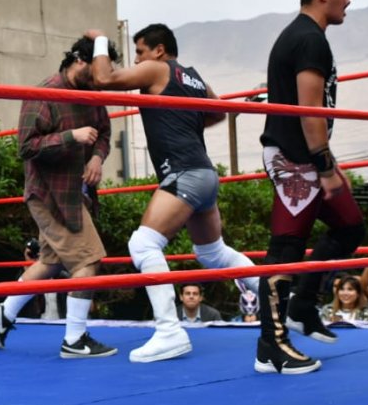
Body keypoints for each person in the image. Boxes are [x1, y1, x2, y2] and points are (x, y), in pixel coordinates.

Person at [87, 23, 258, 363]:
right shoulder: (193, 77)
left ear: (159, 50)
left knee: (143, 244)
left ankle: (169, 331)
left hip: (184, 173)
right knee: (213, 254)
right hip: (204, 173)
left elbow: (103, 80)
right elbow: (217, 112)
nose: (137, 60)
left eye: (139, 52)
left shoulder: (157, 68)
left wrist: (101, 42)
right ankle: (278, 299)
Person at [255, 0, 363, 375]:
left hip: (305, 156)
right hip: (295, 158)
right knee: (285, 250)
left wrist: (327, 163)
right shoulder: (308, 39)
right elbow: (309, 109)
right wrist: (325, 165)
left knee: (351, 226)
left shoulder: (305, 35)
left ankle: (301, 304)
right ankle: (272, 346)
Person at [0, 37, 118, 358]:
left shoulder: (93, 94)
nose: (103, 75)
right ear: (79, 61)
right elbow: (25, 147)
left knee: (50, 261)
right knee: (88, 261)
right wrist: (70, 137)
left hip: (77, 194)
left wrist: (97, 158)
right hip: (50, 195)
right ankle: (74, 340)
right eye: (99, 67)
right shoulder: (44, 93)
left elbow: (104, 134)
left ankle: (4, 313)